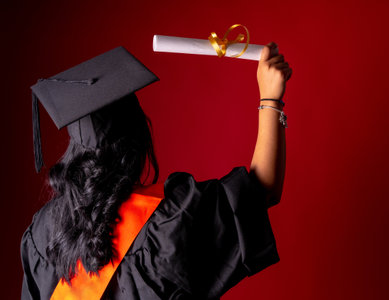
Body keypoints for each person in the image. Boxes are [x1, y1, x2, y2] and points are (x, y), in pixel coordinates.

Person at [21, 42, 291, 299]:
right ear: (138, 140)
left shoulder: (43, 234)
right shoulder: (170, 222)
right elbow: (261, 191)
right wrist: (270, 98)